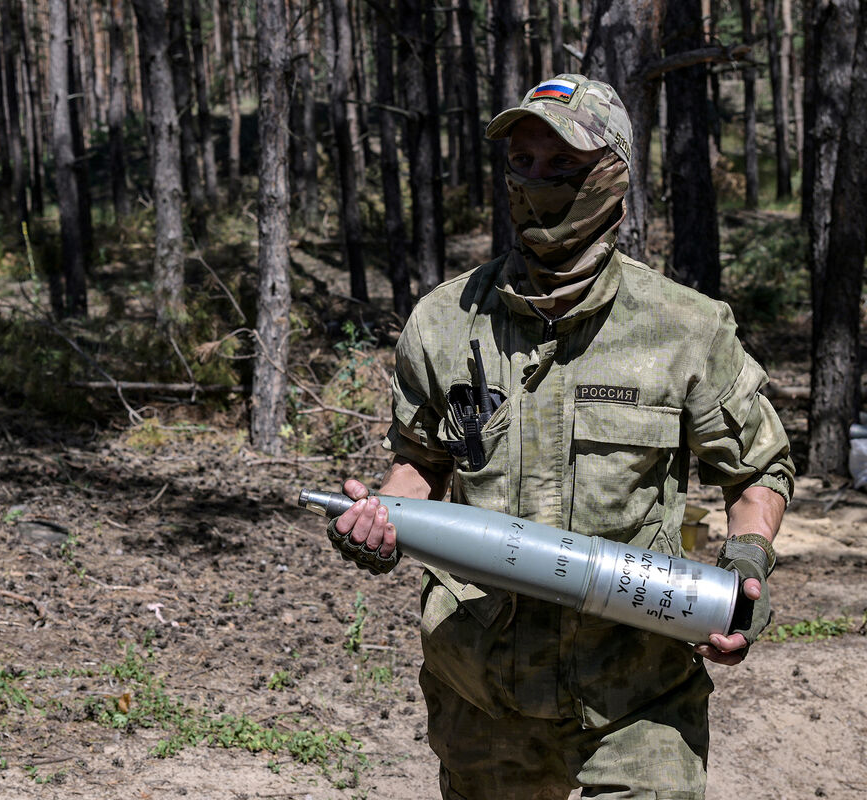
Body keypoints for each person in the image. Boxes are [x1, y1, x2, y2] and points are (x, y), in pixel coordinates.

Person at [326, 74, 793, 799]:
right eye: (523, 164)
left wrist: (743, 567)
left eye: (564, 167)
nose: (537, 183)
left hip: (637, 701)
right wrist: (379, 522)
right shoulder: (446, 321)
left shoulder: (686, 328)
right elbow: (419, 466)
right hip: (481, 699)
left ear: (614, 176)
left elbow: (758, 468)